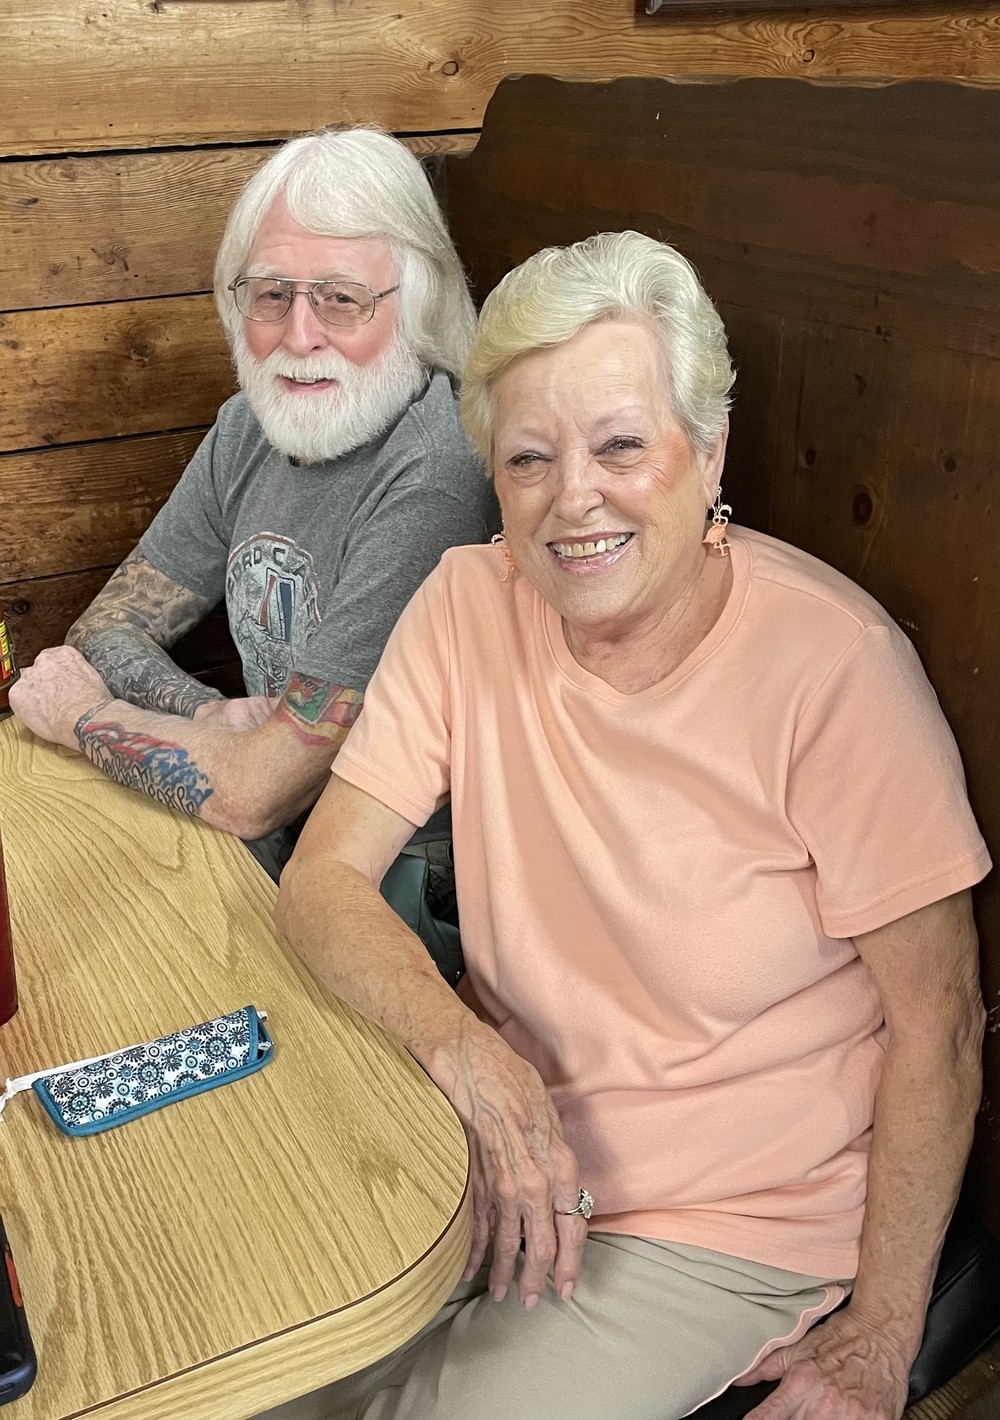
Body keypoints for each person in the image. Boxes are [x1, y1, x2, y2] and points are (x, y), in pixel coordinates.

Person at [271, 230, 989, 1420]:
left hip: (726, 1221)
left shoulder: (835, 668)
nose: (573, 499)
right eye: (529, 458)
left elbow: (941, 1023)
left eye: (619, 445)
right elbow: (321, 878)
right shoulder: (465, 605)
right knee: (237, 1365)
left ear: (708, 450)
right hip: (491, 1146)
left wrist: (881, 1330)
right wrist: (466, 1054)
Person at [10, 128, 497, 882]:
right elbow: (106, 627)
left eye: (342, 299)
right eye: (272, 294)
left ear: (418, 304)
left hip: (397, 878)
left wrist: (84, 716)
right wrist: (206, 714)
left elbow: (258, 790)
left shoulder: (434, 474)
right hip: (271, 834)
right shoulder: (250, 427)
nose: (299, 337)